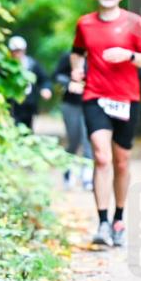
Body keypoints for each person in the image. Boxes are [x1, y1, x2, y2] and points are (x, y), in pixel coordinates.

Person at [70, 0, 141, 247]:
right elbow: (77, 52)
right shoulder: (85, 23)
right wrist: (76, 71)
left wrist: (129, 55)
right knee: (101, 157)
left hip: (126, 99)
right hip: (94, 95)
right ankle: (102, 222)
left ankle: (119, 218)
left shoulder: (134, 22)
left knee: (121, 161)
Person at [53, 51, 94, 191]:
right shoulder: (69, 56)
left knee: (87, 140)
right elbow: (56, 75)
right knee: (74, 140)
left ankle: (87, 176)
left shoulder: (96, 56)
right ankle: (68, 170)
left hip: (90, 104)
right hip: (71, 104)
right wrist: (69, 83)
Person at [7, 35, 51, 130]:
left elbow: (44, 79)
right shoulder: (6, 66)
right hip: (12, 104)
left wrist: (46, 89)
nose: (17, 54)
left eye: (19, 51)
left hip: (28, 104)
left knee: (27, 129)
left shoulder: (32, 64)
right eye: (14, 51)